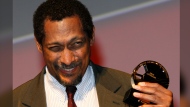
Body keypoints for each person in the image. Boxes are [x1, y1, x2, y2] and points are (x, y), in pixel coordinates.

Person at [13, 0, 173, 107]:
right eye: (55, 48)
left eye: (76, 44)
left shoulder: (131, 91)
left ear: (91, 37)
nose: (68, 60)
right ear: (39, 45)